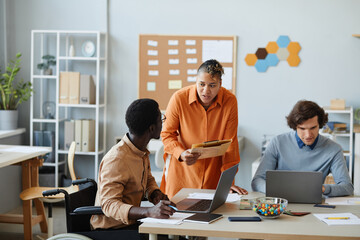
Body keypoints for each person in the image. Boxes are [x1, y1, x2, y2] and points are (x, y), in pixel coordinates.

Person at [160, 59, 248, 199]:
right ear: (196, 81)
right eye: (201, 84)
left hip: (213, 175)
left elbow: (231, 144)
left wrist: (228, 181)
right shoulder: (179, 98)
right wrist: (181, 153)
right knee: (178, 215)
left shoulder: (230, 101)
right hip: (182, 173)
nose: (206, 91)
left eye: (212, 85)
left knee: (212, 216)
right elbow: (167, 134)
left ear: (220, 84)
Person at [91, 99, 176, 230]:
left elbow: (148, 180)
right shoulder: (117, 159)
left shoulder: (140, 150)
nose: (162, 123)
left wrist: (155, 193)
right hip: (111, 230)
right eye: (161, 119)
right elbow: (108, 204)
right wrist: (148, 211)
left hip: (132, 223)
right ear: (152, 128)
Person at [251, 100, 354, 197]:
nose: (308, 134)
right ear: (295, 126)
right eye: (302, 129)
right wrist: (277, 191)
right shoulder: (277, 143)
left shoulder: (334, 149)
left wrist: (323, 189)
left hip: (314, 204)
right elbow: (257, 181)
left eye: (313, 128)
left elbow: (347, 187)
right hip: (281, 203)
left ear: (320, 125)